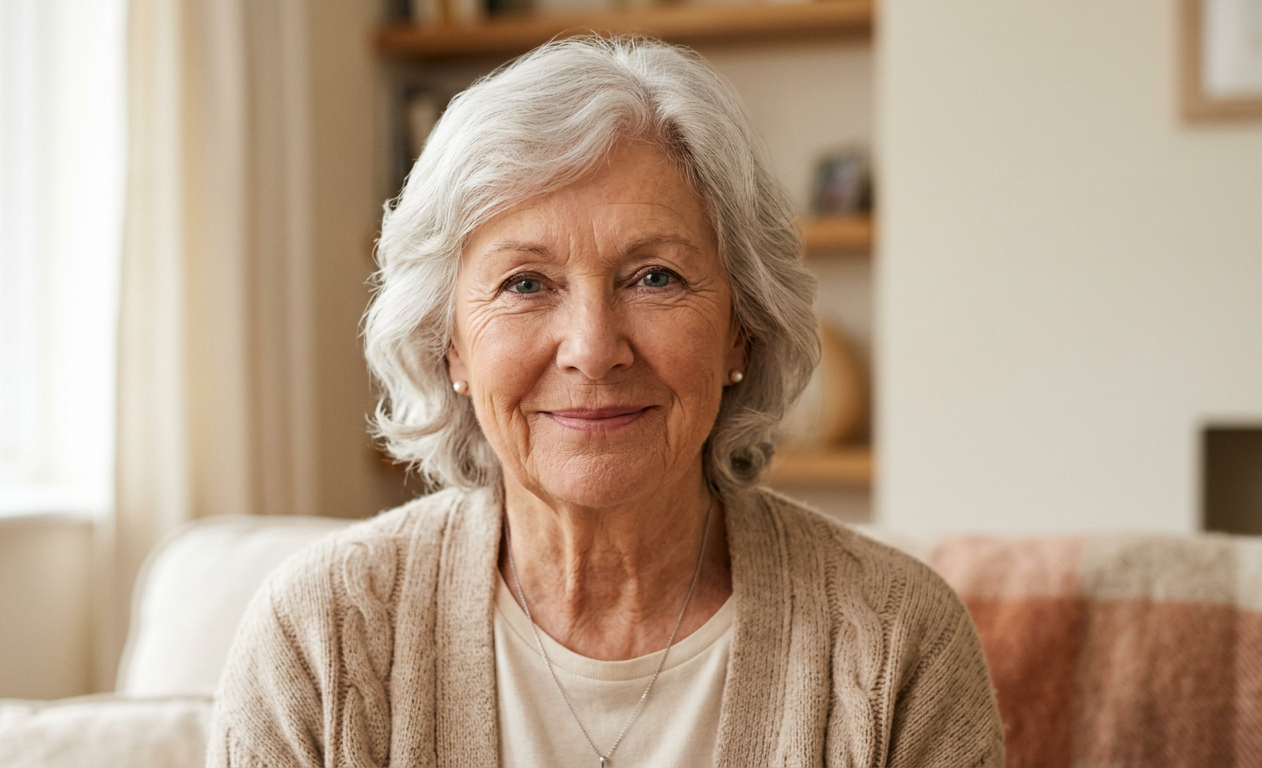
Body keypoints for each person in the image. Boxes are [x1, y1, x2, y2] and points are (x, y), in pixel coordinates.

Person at [208, 36, 1003, 768]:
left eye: (654, 277)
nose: (592, 347)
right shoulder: (318, 637)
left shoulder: (897, 641)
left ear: (741, 330)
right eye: (526, 284)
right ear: (447, 343)